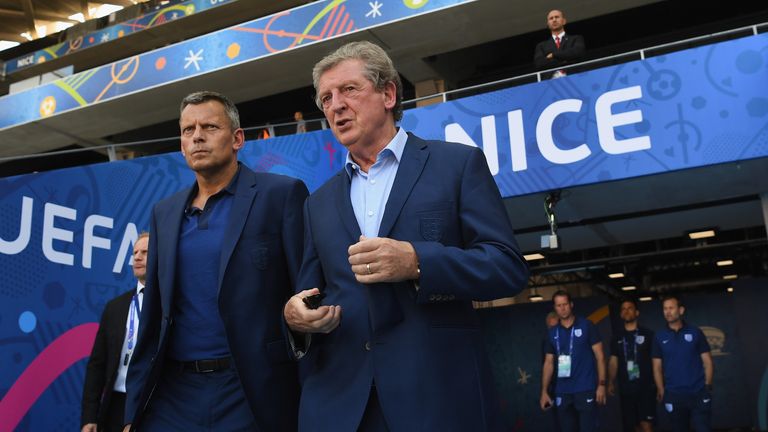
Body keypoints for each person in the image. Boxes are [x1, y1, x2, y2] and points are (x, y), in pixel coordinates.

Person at [283, 41, 529, 431]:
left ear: (388, 93)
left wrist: (417, 262)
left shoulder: (457, 165)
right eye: (326, 98)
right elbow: (312, 291)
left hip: (437, 398)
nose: (335, 105)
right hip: (341, 407)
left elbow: (507, 268)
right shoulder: (318, 203)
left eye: (349, 90)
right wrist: (296, 316)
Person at [124, 91, 308, 431]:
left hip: (251, 391)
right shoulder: (163, 212)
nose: (197, 136)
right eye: (187, 130)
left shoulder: (281, 195)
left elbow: (307, 290)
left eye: (209, 126)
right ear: (181, 144)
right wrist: (133, 410)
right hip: (172, 394)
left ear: (238, 138)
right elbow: (152, 318)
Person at [81, 233, 149, 432]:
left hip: (152, 407)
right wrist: (89, 417)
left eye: (145, 252)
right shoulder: (115, 307)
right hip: (115, 406)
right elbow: (97, 364)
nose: (137, 257)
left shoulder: (169, 305)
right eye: (135, 252)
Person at [540, 290, 606, 432]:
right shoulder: (552, 333)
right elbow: (548, 363)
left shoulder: (587, 325)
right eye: (558, 305)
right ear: (555, 308)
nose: (562, 308)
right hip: (562, 391)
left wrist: (601, 384)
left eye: (565, 304)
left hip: (585, 388)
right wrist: (544, 391)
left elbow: (600, 356)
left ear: (571, 304)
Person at [652, 295, 713, 432]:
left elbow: (708, 362)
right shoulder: (659, 336)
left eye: (671, 308)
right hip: (674, 395)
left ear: (681, 310)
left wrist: (707, 386)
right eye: (665, 309)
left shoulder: (695, 332)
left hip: (698, 393)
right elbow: (656, 367)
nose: (668, 312)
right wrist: (661, 389)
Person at [608, 299, 656, 432]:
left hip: (646, 387)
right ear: (620, 314)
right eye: (623, 309)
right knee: (633, 425)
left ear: (637, 312)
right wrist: (611, 381)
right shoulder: (616, 337)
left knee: (646, 424)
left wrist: (659, 383)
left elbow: (656, 361)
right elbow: (613, 360)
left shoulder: (648, 335)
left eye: (630, 308)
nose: (626, 310)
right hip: (626, 388)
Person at [533, 9, 585, 75]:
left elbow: (578, 53)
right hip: (551, 82)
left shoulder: (576, 38)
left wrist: (553, 55)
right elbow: (539, 64)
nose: (554, 20)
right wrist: (566, 58)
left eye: (557, 17)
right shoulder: (541, 46)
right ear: (548, 24)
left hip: (574, 77)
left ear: (564, 21)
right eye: (551, 18)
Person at [543, 311, 561, 432]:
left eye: (556, 327)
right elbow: (546, 366)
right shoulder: (546, 342)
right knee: (560, 422)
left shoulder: (571, 339)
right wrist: (545, 391)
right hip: (555, 387)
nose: (554, 331)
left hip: (575, 386)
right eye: (551, 328)